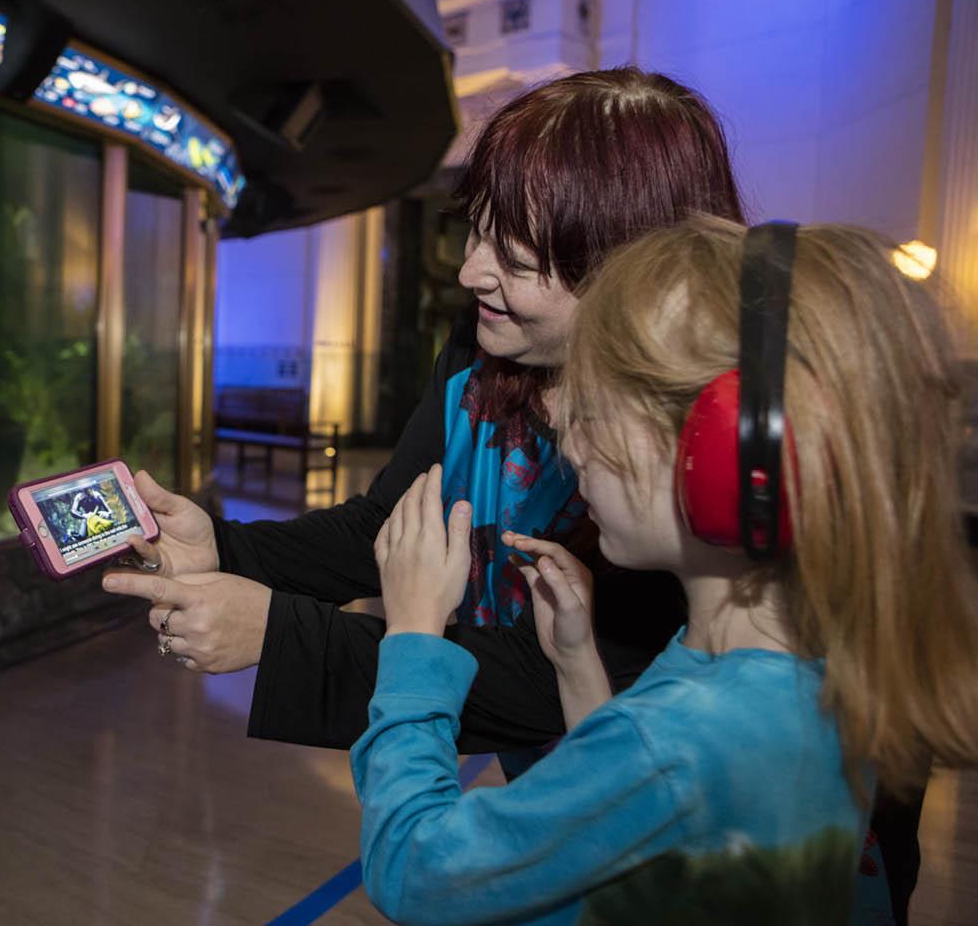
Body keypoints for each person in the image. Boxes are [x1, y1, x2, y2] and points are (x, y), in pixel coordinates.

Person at [100, 69, 917, 918]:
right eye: (476, 232)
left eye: (517, 257)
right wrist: (228, 548)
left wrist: (287, 631)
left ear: (631, 268)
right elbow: (392, 524)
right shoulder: (483, 362)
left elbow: (458, 816)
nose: (470, 273)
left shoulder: (704, 495)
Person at [349, 216, 978, 923]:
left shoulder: (675, 746)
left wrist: (413, 639)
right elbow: (649, 822)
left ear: (727, 455)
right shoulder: (808, 670)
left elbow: (417, 869)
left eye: (592, 409)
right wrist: (579, 666)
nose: (572, 445)